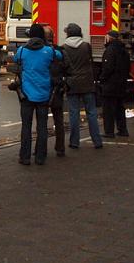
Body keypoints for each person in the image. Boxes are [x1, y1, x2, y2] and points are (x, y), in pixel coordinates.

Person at [14, 23, 59, 165]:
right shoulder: (49, 51)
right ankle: (40, 156)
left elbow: (15, 60)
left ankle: (25, 156)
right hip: (44, 93)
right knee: (42, 126)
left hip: (26, 94)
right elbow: (60, 55)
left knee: (26, 126)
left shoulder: (22, 51)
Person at [62, 23, 103, 150]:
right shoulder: (86, 46)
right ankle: (97, 141)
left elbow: (64, 66)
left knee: (74, 113)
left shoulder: (63, 48)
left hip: (72, 83)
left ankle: (74, 142)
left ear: (68, 33)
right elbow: (89, 61)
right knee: (91, 112)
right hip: (87, 83)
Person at [99, 30, 132, 138]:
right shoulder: (124, 51)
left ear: (110, 38)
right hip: (121, 84)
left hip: (110, 85)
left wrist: (102, 79)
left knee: (108, 109)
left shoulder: (110, 50)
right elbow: (128, 68)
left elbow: (108, 68)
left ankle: (109, 132)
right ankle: (123, 130)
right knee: (119, 108)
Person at [42, 25, 67, 157]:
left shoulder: (42, 51)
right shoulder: (59, 51)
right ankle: (60, 147)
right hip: (57, 88)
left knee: (42, 120)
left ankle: (41, 148)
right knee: (58, 119)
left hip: (45, 89)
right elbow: (66, 67)